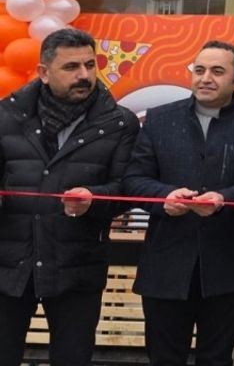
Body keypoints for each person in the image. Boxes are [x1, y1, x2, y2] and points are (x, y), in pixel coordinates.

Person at [0, 28, 140, 366]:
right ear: (44, 72)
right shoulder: (6, 116)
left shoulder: (120, 122)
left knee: (73, 358)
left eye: (90, 65)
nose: (84, 75)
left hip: (77, 266)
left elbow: (128, 188)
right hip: (9, 265)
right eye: (71, 67)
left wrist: (95, 199)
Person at [123, 41, 234, 366]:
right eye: (199, 70)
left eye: (217, 71)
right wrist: (164, 197)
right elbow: (134, 179)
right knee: (163, 357)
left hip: (227, 266)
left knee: (216, 358)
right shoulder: (160, 120)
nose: (205, 78)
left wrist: (224, 199)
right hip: (165, 265)